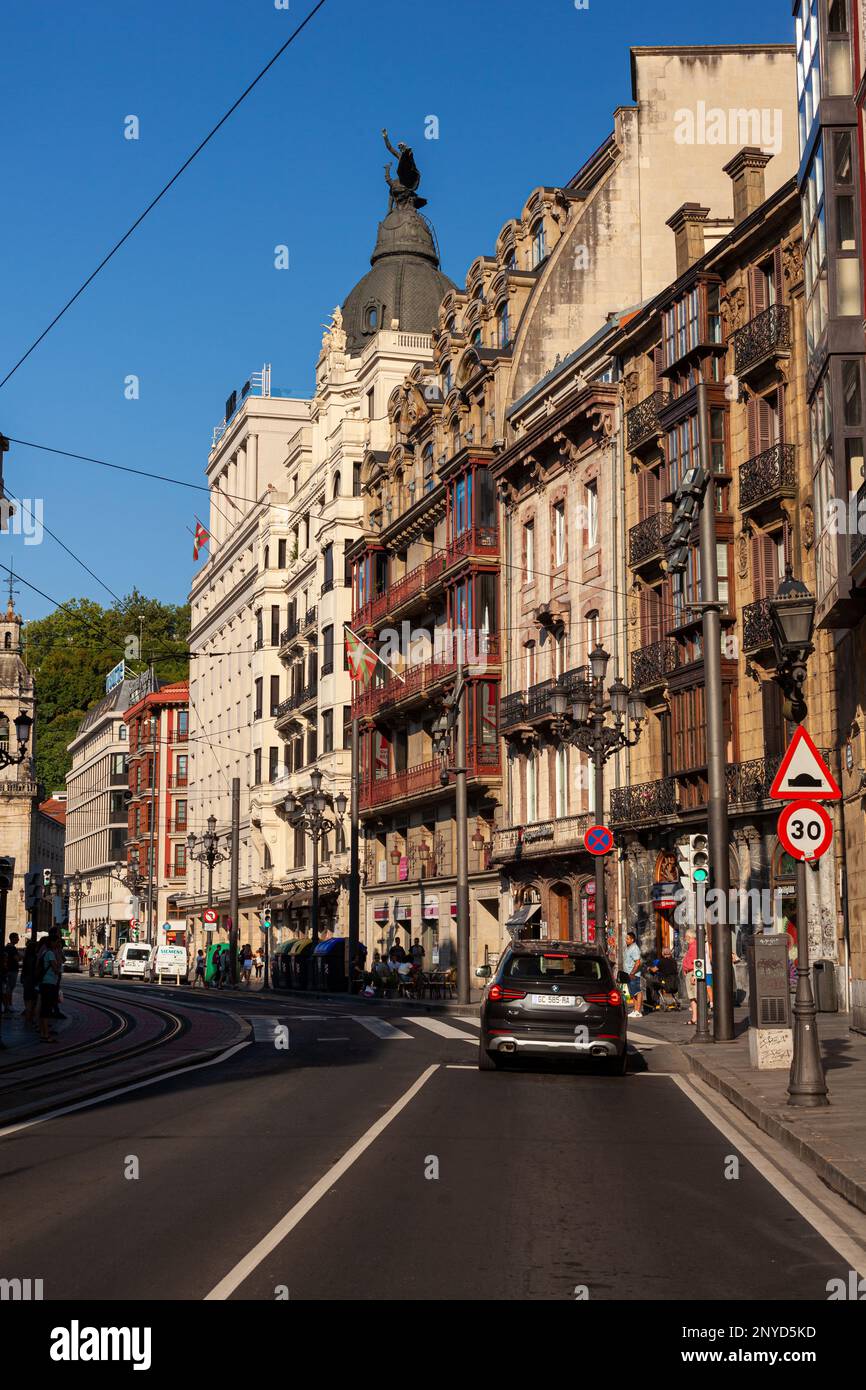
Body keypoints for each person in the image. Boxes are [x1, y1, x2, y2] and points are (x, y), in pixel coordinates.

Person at [36, 929, 63, 1042]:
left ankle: (43, 1032)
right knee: (46, 1009)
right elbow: (56, 969)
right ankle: (46, 1035)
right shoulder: (51, 953)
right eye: (57, 942)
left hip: (44, 982)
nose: (58, 944)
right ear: (52, 943)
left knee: (43, 1008)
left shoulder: (44, 952)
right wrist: (58, 966)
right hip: (49, 983)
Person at [623, 931, 643, 1018]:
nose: (626, 940)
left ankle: (638, 1010)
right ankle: (635, 1010)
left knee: (637, 991)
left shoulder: (634, 948)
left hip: (634, 974)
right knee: (632, 992)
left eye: (627, 939)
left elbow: (638, 962)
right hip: (628, 974)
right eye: (626, 938)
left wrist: (632, 973)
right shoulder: (629, 948)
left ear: (632, 939)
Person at [21, 937, 39, 1026]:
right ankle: (32, 1020)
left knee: (28, 1002)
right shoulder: (36, 958)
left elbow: (23, 971)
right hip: (34, 982)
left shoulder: (26, 958)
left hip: (27, 981)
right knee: (33, 1002)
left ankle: (28, 1020)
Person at [681, 929, 698, 1026]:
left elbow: (697, 962)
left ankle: (701, 1018)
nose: (685, 938)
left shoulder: (694, 946)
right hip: (689, 973)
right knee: (692, 997)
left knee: (696, 996)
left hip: (692, 973)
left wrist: (694, 975)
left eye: (686, 936)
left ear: (690, 937)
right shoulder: (691, 946)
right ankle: (694, 1018)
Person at [2, 932, 20, 1013]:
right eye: (17, 938)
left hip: (6, 970)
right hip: (13, 970)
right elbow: (17, 959)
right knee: (10, 989)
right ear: (12, 938)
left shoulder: (6, 947)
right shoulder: (13, 948)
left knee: (6, 988)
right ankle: (9, 1005)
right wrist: (20, 956)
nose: (18, 939)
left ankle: (7, 1005)